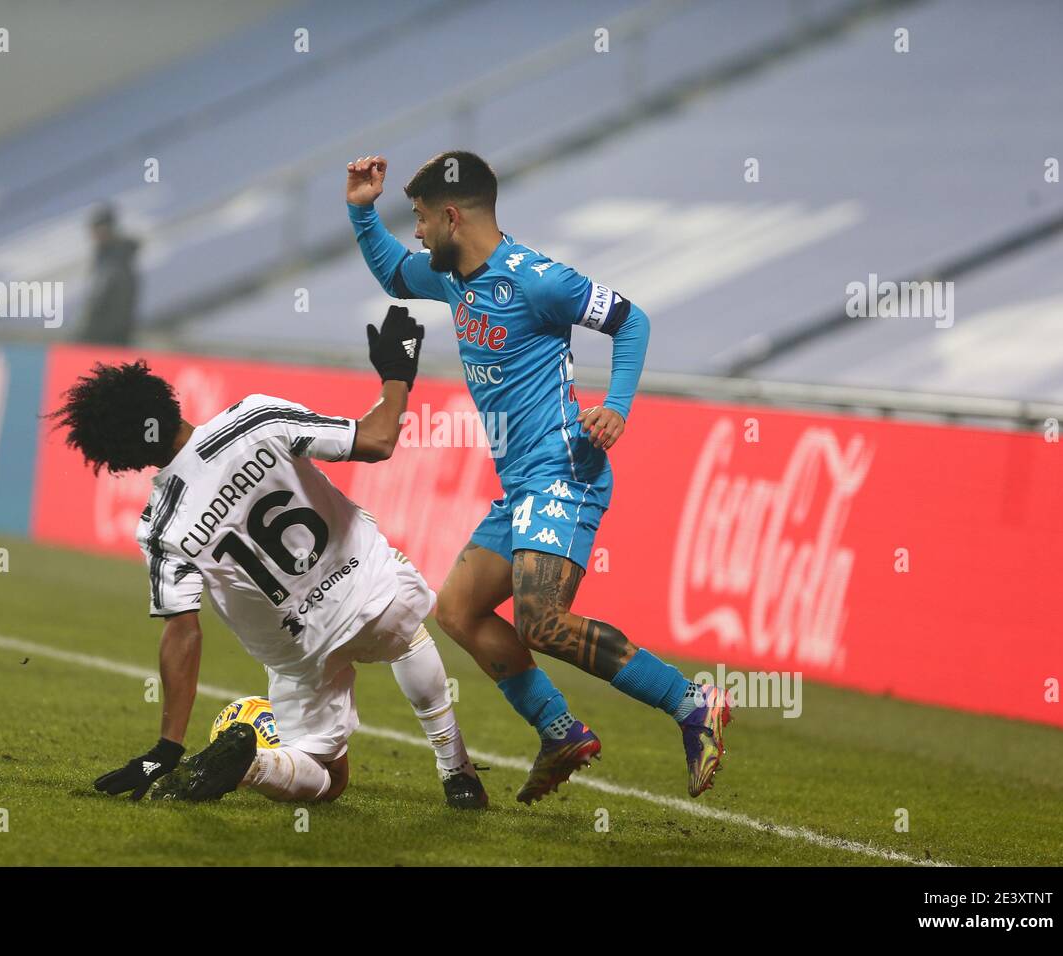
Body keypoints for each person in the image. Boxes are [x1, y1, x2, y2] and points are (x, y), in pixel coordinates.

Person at [345, 151, 730, 802]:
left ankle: (693, 702)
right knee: (458, 611)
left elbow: (630, 321)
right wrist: (360, 209)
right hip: (520, 483)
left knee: (542, 621)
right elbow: (392, 273)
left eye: (416, 219)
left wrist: (616, 406)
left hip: (564, 469)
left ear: (450, 215)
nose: (413, 233)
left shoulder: (537, 279)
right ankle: (558, 731)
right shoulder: (451, 276)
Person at [51, 307, 487, 808]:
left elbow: (183, 631)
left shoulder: (161, 527)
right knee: (406, 636)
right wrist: (397, 375)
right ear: (161, 396)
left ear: (119, 457)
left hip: (302, 652)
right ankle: (455, 770)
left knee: (326, 779)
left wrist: (167, 748)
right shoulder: (256, 418)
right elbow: (378, 440)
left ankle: (255, 764)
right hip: (369, 589)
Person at [77, 204, 140, 345]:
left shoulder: (118, 261)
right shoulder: (103, 256)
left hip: (111, 340)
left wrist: (89, 335)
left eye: (97, 229)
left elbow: (116, 306)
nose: (94, 234)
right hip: (102, 337)